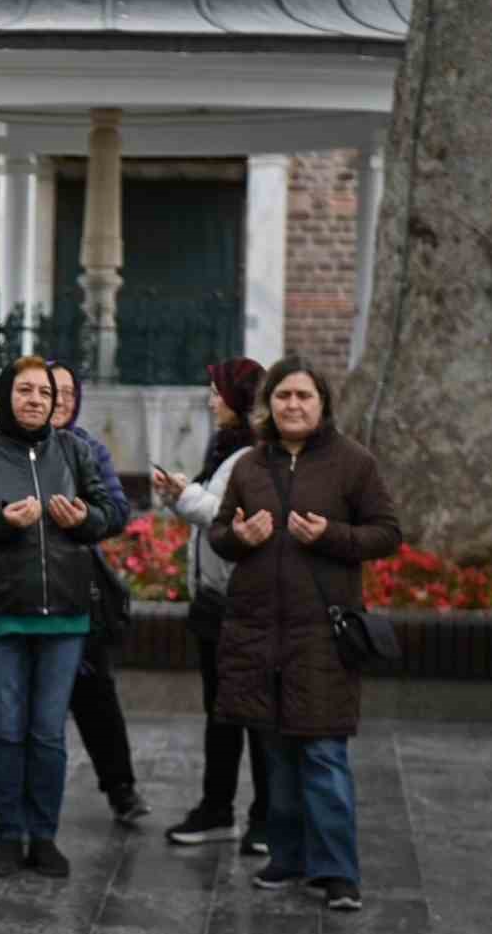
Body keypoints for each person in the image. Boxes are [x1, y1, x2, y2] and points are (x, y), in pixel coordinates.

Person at [207, 356, 399, 912]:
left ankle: (337, 872)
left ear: (322, 405)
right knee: (276, 753)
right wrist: (239, 534)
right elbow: (220, 534)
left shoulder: (353, 463)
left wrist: (332, 535)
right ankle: (287, 858)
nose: (293, 405)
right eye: (284, 396)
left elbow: (387, 533)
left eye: (304, 396)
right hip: (257, 632)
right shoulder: (248, 466)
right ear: (269, 405)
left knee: (322, 753)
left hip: (321, 635)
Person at [0, 356, 123, 880]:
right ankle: (7, 834)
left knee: (47, 733)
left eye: (44, 392)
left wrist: (87, 517)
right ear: (6, 396)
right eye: (25, 390)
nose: (36, 400)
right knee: (6, 728)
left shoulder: (76, 451)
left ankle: (44, 835)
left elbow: (114, 512)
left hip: (65, 615)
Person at [155, 358, 270, 855]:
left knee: (251, 717)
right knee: (222, 713)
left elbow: (225, 517)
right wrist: (180, 494)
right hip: (215, 602)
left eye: (217, 392)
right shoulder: (228, 448)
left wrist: (184, 495)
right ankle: (220, 808)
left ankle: (264, 818)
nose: (210, 399)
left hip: (240, 606)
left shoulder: (252, 455)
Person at [47, 361, 151, 826]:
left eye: (70, 392)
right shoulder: (1, 446)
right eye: (53, 390)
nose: (62, 399)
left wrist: (83, 518)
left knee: (95, 693)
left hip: (77, 589)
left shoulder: (87, 448)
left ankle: (120, 787)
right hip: (18, 590)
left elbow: (116, 511)